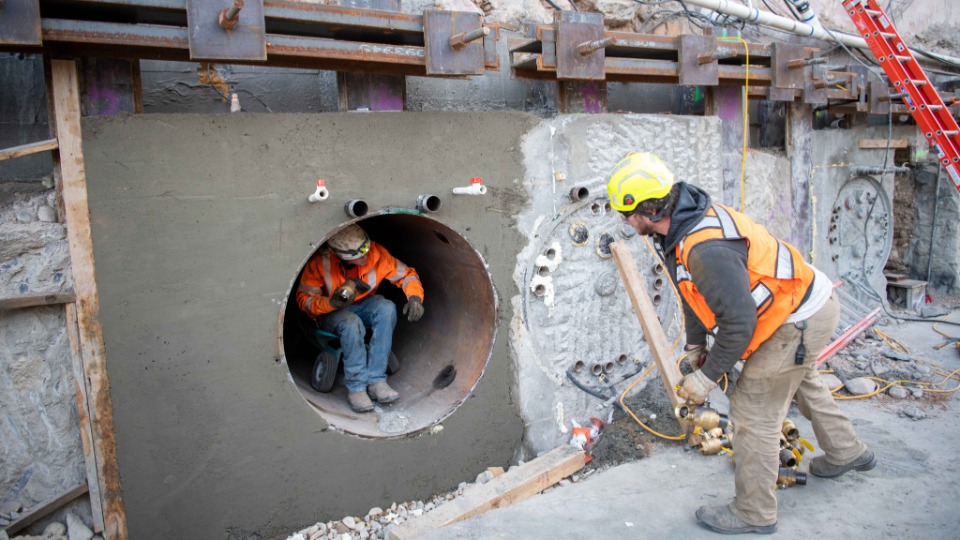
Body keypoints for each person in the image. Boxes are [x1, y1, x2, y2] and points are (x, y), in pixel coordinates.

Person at [606, 152, 875, 535]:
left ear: (647, 211)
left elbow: (739, 325)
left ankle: (754, 512)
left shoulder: (705, 248)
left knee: (753, 412)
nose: (624, 222)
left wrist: (707, 377)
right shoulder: (679, 225)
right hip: (797, 302)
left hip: (796, 315)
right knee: (800, 380)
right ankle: (849, 451)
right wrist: (695, 346)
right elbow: (690, 292)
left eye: (625, 214)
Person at [296, 224, 424, 413]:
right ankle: (356, 389)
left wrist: (414, 297)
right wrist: (331, 303)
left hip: (362, 304)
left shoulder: (376, 253)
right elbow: (304, 301)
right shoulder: (320, 263)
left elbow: (406, 274)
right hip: (329, 312)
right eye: (359, 255)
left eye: (366, 248)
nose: (366, 256)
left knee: (387, 308)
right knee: (351, 323)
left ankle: (376, 381)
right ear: (340, 256)